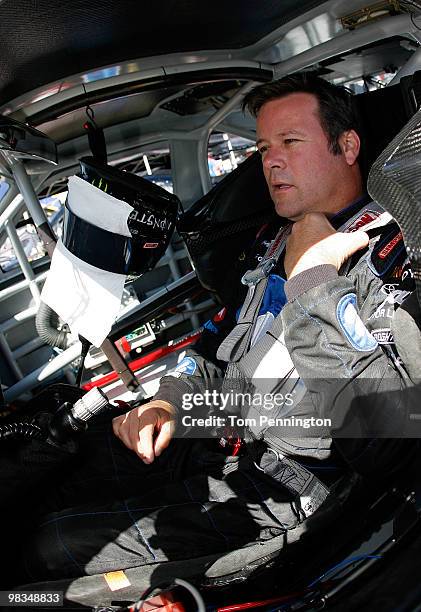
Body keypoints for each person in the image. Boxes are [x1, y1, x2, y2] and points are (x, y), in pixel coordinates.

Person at [18, 73, 418, 585]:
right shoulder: (272, 241)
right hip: (217, 427)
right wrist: (168, 403)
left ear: (347, 146)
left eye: (291, 142)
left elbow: (384, 438)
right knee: (58, 470)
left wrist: (315, 281)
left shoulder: (398, 259)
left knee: (55, 547)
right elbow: (216, 348)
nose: (271, 161)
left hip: (291, 484)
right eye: (264, 147)